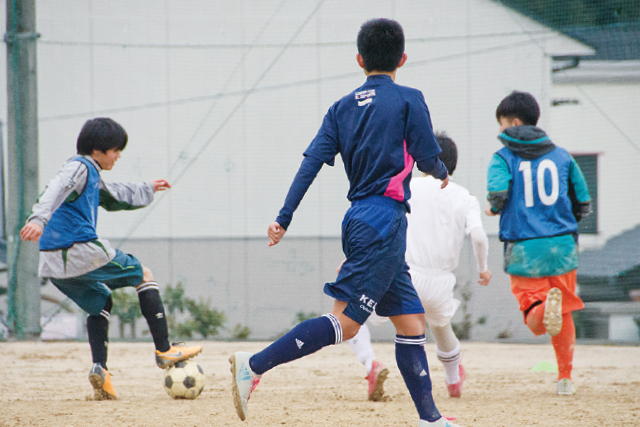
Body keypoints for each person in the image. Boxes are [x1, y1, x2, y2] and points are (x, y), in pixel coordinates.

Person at [230, 18, 463, 427]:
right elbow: (427, 157)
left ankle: (431, 419)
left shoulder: (340, 108)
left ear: (359, 60)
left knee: (411, 322)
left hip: (359, 217)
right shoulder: (410, 99)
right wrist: (442, 171)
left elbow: (311, 164)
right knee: (349, 323)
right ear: (402, 58)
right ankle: (253, 364)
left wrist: (283, 218)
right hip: (384, 220)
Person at [20, 118, 202, 400]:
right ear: (98, 150)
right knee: (143, 274)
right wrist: (38, 219)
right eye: (116, 150)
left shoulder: (89, 173)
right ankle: (165, 349)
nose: (118, 156)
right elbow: (54, 190)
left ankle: (101, 371)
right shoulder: (78, 167)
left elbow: (112, 195)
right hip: (79, 251)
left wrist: (146, 188)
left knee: (101, 300)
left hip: (54, 263)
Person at [347, 131, 491, 401]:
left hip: (404, 276)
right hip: (441, 282)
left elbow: (378, 224)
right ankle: (452, 379)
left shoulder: (407, 187)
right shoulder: (465, 197)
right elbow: (479, 237)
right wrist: (483, 268)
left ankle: (371, 365)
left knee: (351, 315)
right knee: (441, 326)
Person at [485, 91, 591, 396]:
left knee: (536, 314)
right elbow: (582, 202)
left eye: (502, 125)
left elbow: (498, 195)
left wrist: (492, 208)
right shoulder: (562, 155)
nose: (501, 131)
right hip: (562, 246)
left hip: (525, 248)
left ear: (514, 122)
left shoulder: (502, 157)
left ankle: (545, 307)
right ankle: (565, 378)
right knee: (565, 311)